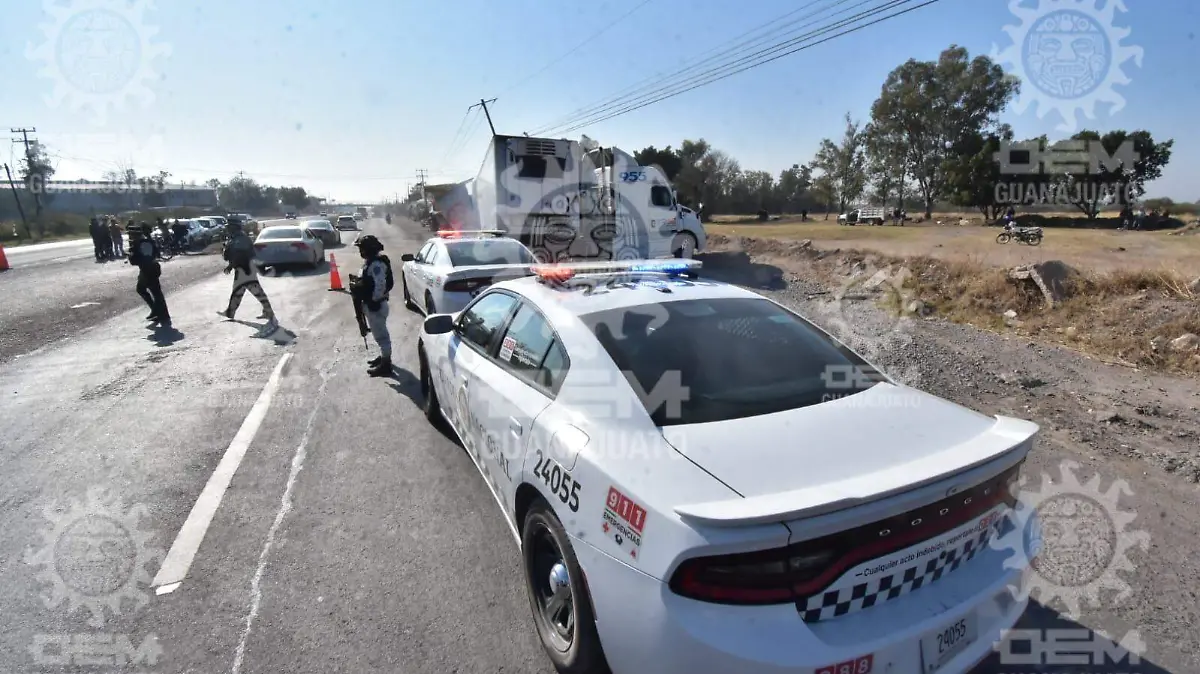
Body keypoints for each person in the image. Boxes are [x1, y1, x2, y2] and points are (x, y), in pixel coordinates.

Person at [216, 219, 276, 326]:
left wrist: (230, 266)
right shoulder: (237, 238)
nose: (227, 229)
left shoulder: (240, 239)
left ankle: (231, 312)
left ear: (234, 228)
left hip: (245, 269)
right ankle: (267, 311)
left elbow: (240, 255)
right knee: (243, 291)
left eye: (229, 227)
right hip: (244, 268)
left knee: (246, 291)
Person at [351, 235, 393, 376]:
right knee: (379, 333)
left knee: (382, 336)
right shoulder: (371, 263)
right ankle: (383, 357)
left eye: (362, 248)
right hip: (375, 304)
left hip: (377, 305)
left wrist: (373, 301)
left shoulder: (376, 265)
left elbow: (380, 285)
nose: (360, 251)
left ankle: (386, 365)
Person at [129, 223, 171, 327]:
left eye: (132, 235)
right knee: (154, 292)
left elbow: (134, 260)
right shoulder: (149, 241)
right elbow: (156, 253)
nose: (130, 237)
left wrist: (131, 255)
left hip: (147, 270)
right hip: (153, 268)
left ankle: (160, 313)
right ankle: (159, 313)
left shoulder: (137, 244)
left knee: (151, 292)